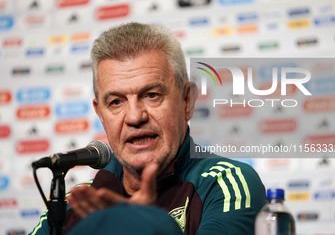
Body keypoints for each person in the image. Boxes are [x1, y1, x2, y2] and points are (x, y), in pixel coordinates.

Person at [29, 22, 266, 235]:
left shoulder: (228, 183)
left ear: (187, 102)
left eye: (151, 95)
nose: (134, 117)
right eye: (116, 102)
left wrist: (142, 223)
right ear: (100, 113)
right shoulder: (75, 204)